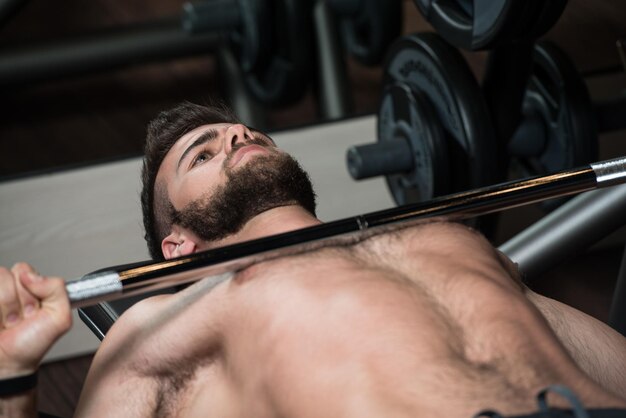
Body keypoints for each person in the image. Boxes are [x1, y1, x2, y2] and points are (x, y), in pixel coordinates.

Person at [1, 101, 625, 418]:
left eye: (244, 133)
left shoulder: (447, 239)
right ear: (179, 245)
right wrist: (12, 372)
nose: (238, 136)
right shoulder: (167, 323)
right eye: (202, 154)